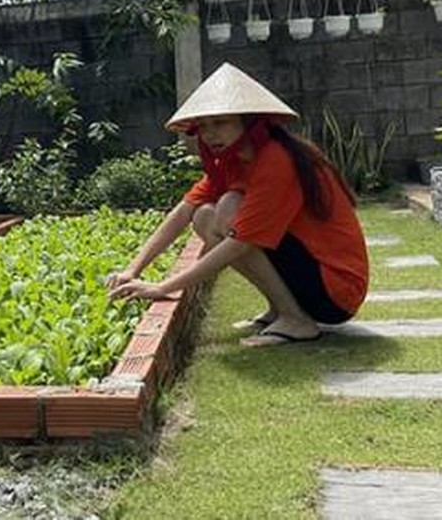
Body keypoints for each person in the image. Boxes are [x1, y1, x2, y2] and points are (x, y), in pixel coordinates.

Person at [108, 62, 368, 347]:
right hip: (311, 276)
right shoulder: (235, 162)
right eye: (204, 126)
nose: (209, 135)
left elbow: (239, 243)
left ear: (250, 122)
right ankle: (279, 310)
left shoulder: (276, 159)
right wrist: (132, 270)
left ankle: (296, 319)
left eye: (220, 123)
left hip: (335, 291)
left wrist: (163, 287)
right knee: (203, 216)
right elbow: (183, 211)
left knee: (229, 207)